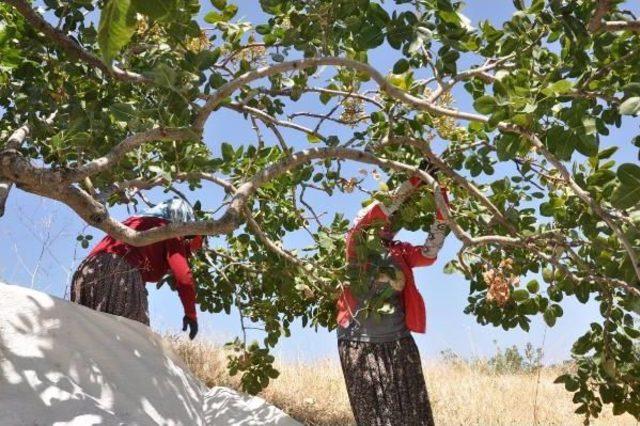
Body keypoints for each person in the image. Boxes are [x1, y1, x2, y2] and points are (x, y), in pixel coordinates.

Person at [336, 160, 452, 426]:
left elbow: (429, 252)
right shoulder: (356, 246)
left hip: (399, 341)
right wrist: (414, 180)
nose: (388, 222)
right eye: (384, 219)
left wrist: (440, 193)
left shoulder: (400, 251)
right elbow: (376, 211)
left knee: (415, 416)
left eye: (391, 221)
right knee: (376, 419)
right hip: (358, 344)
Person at [70, 197, 203, 339]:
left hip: (85, 272)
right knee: (132, 340)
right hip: (118, 272)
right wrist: (191, 314)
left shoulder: (134, 222)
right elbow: (183, 275)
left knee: (85, 340)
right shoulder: (169, 230)